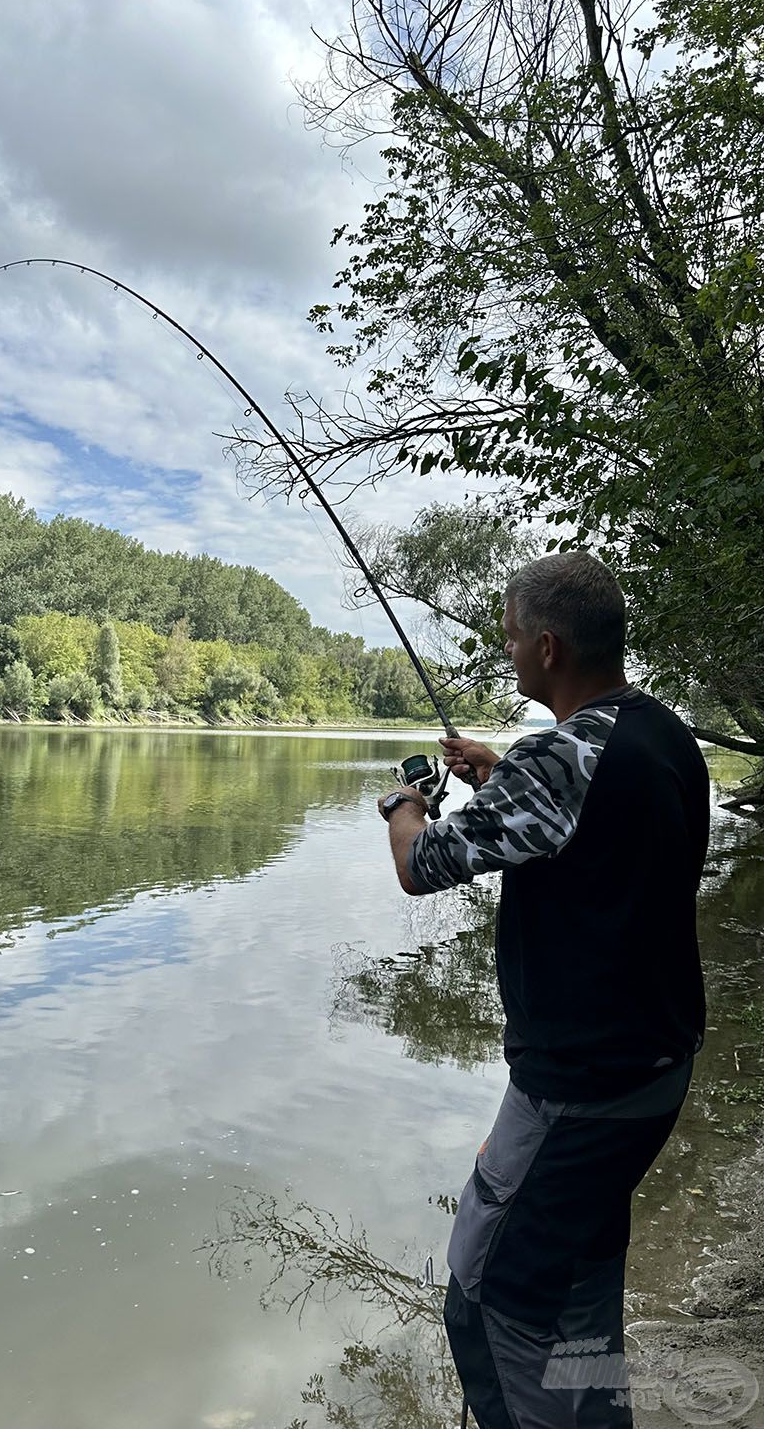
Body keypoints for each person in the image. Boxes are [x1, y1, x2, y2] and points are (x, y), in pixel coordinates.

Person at [377, 552, 709, 1429]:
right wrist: (503, 777)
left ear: (550, 646)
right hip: (653, 1071)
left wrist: (404, 802)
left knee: (493, 1303)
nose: (510, 647)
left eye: (515, 635)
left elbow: (421, 864)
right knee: (580, 1290)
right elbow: (600, 846)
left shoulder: (559, 761)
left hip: (577, 1090)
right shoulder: (660, 734)